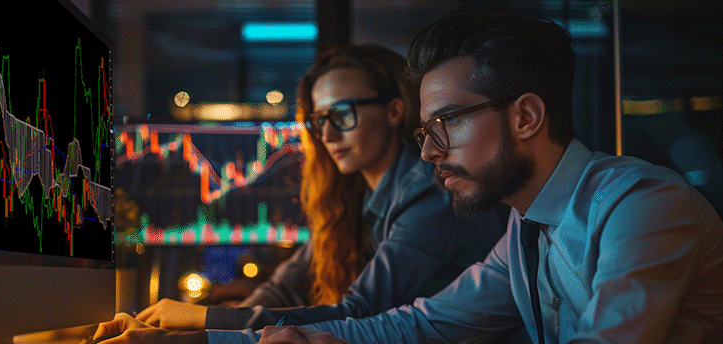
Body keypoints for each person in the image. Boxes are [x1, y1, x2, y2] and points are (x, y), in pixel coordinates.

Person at [199, 6, 722, 343]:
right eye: (427, 129)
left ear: (525, 117)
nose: (428, 152)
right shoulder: (526, 226)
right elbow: (424, 323)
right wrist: (298, 339)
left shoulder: (642, 205)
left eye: (446, 123)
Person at [92, 43, 509, 343]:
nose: (327, 134)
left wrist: (201, 320)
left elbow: (359, 312)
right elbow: (285, 287)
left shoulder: (428, 192)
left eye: (342, 114)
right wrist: (215, 320)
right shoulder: (356, 198)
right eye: (318, 120)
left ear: (393, 111)